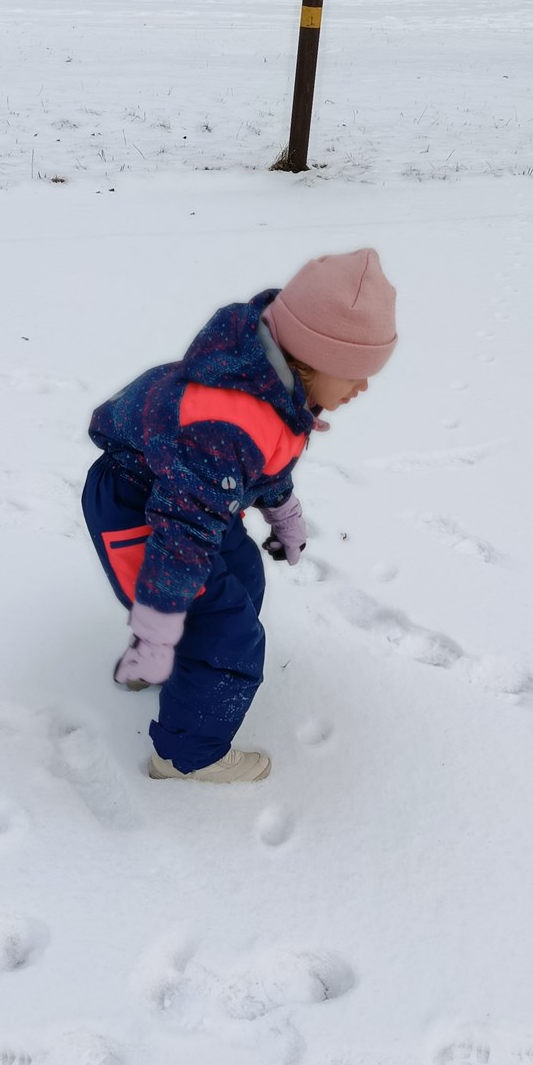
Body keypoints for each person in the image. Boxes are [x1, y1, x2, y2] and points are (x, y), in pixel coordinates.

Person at [82, 249, 397, 784]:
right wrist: (156, 633)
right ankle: (184, 756)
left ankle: (179, 663)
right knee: (226, 635)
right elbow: (182, 537)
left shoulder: (271, 387)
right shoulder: (227, 422)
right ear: (313, 358)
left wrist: (285, 514)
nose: (362, 388)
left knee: (244, 577)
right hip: (141, 510)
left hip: (192, 494)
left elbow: (262, 461)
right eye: (355, 374)